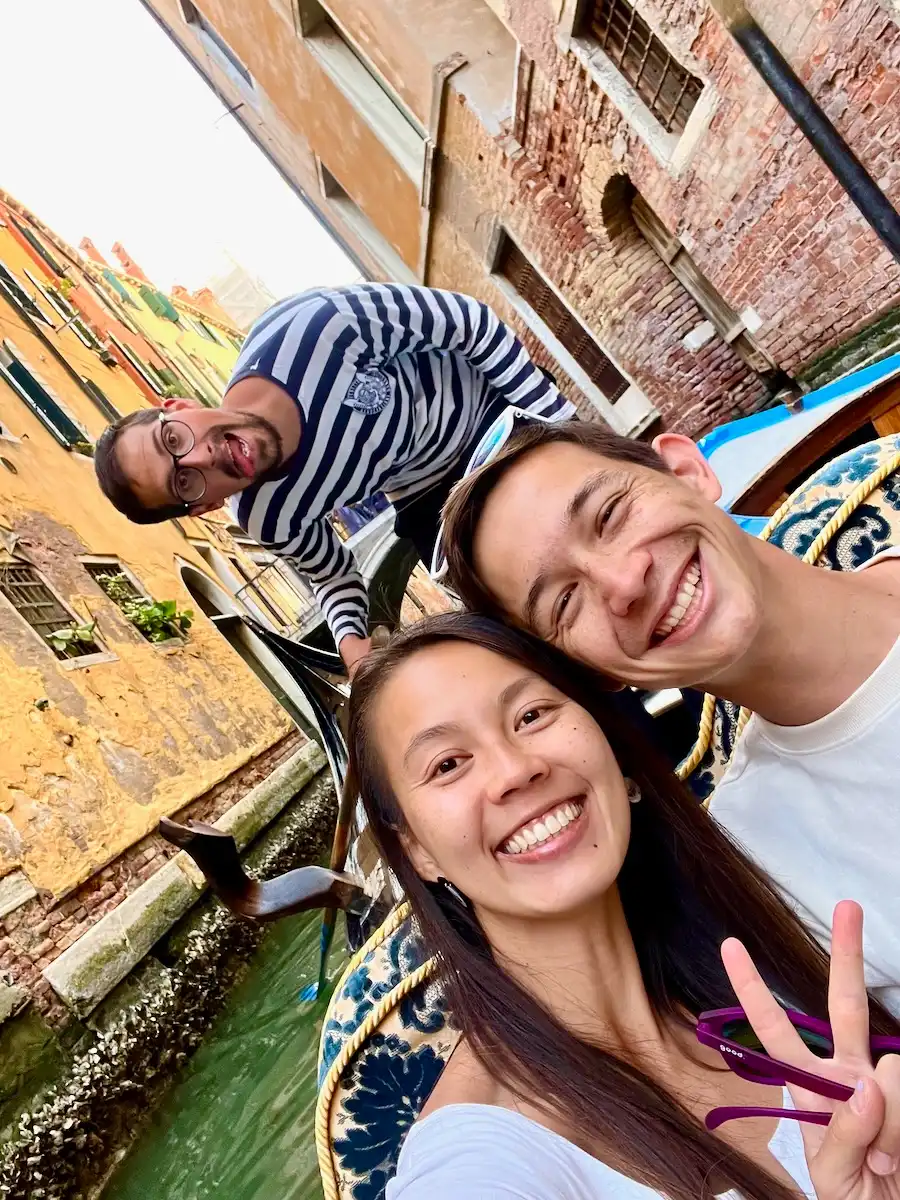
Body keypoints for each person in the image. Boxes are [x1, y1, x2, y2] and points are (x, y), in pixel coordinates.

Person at [341, 613, 900, 1200]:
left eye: (531, 716)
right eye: (448, 764)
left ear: (612, 749)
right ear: (417, 851)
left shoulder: (761, 950)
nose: (516, 769)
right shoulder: (481, 1158)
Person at [438, 420, 900, 1009]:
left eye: (610, 516)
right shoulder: (761, 856)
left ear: (688, 470)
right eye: (565, 601)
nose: (623, 582)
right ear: (596, 673)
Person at [92, 284, 572, 673]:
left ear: (179, 408)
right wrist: (354, 650)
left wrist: (561, 429)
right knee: (524, 642)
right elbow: (331, 574)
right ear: (202, 507)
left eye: (172, 440)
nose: (201, 456)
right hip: (424, 494)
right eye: (182, 483)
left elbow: (471, 323)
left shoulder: (310, 329)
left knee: (573, 521)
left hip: (491, 413)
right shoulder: (269, 516)